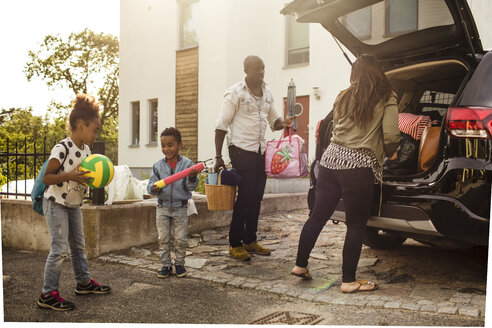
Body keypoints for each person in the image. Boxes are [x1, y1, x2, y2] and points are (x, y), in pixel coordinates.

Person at [291, 54, 400, 293]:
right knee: (356, 225)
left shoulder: (343, 95)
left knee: (317, 216)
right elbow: (391, 135)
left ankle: (300, 265)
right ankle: (349, 281)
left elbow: (334, 127)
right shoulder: (386, 96)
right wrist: (392, 153)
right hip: (358, 166)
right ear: (377, 72)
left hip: (330, 162)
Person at [215, 55, 293, 261]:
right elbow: (221, 125)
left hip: (260, 152)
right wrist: (218, 156)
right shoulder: (235, 94)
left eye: (263, 68)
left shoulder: (266, 94)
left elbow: (273, 122)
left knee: (257, 197)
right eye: (257, 68)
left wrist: (283, 123)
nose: (261, 72)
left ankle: (250, 240)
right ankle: (234, 243)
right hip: (240, 150)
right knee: (246, 196)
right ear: (246, 69)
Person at [37, 94, 111, 311]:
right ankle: (47, 294)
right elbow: (47, 178)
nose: (96, 134)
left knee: (78, 247)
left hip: (73, 205)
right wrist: (71, 175)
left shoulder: (87, 151)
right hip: (55, 204)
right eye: (94, 130)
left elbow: (83, 176)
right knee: (59, 249)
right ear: (80, 126)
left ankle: (83, 283)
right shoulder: (62, 148)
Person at [147, 127, 198, 278]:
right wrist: (153, 187)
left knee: (180, 238)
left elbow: (190, 187)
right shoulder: (158, 166)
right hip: (162, 207)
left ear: (179, 145)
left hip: (180, 207)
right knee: (163, 238)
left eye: (170, 145)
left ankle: (180, 264)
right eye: (163, 145)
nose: (166, 149)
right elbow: (150, 186)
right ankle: (165, 265)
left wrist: (192, 178)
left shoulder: (188, 164)